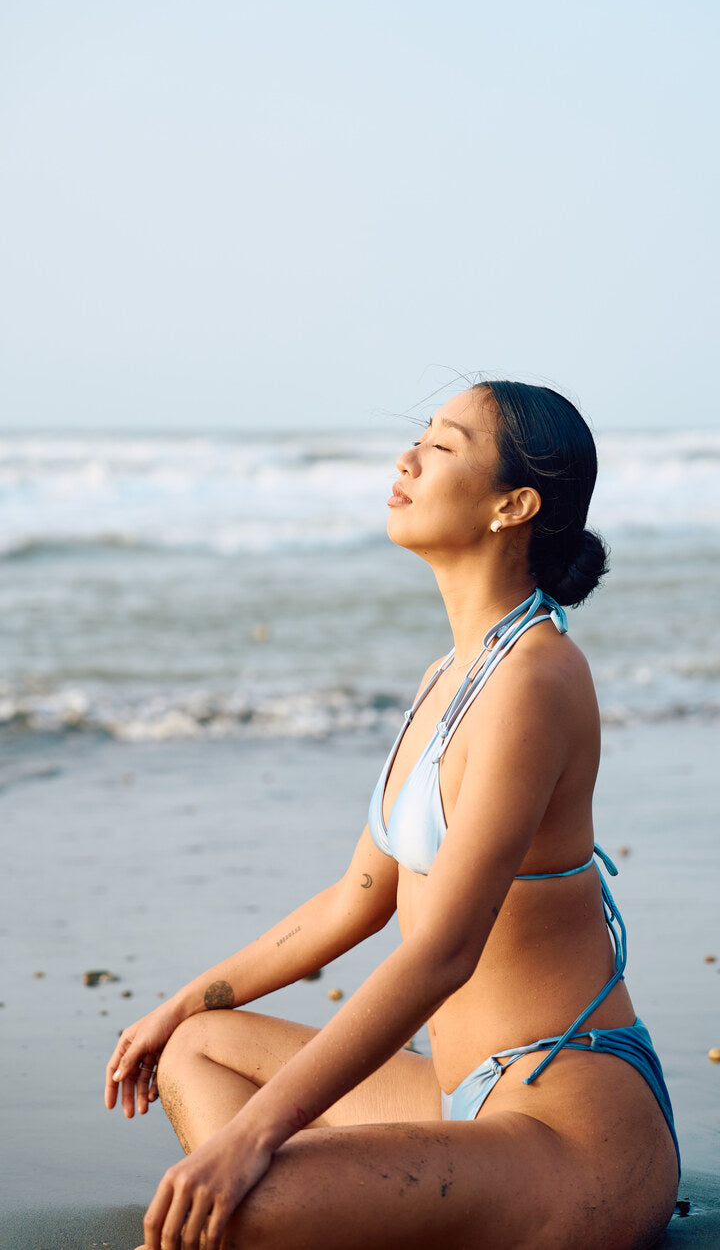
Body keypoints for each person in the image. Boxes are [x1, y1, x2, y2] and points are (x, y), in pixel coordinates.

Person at [105, 381, 680, 1250]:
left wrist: (254, 1138)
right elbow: (354, 901)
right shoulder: (447, 676)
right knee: (197, 1046)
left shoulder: (534, 680)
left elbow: (443, 953)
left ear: (513, 506)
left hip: (572, 1136)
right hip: (465, 1100)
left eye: (443, 447)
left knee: (230, 1212)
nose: (406, 459)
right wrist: (174, 1006)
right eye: (419, 439)